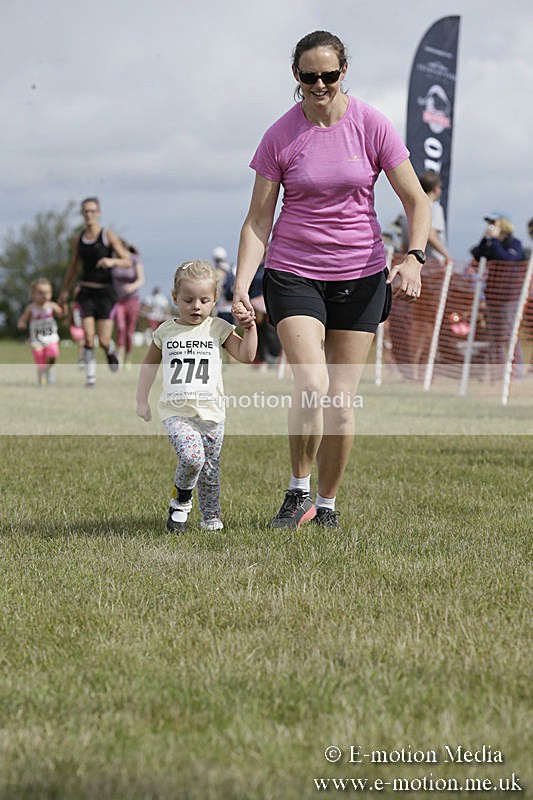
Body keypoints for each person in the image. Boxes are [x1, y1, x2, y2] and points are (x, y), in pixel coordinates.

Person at [232, 30, 431, 530]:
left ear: (344, 71)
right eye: (308, 77)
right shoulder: (281, 135)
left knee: (341, 403)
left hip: (361, 276)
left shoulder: (371, 125)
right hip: (294, 271)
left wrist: (414, 257)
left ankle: (327, 506)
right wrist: (241, 285)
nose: (319, 85)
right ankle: (297, 492)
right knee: (312, 383)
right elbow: (258, 220)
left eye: (328, 75)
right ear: (295, 76)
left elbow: (416, 201)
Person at [136, 260, 257, 533]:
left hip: (212, 415)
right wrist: (141, 400)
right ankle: (181, 501)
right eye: (188, 300)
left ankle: (210, 517)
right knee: (192, 457)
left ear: (215, 299)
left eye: (204, 300)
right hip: (177, 413)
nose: (196, 306)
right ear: (175, 297)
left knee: (210, 470)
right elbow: (148, 366)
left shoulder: (218, 328)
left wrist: (250, 328)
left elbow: (247, 355)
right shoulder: (165, 331)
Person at [58, 197, 132, 387]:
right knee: (88, 337)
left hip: (105, 293)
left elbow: (127, 260)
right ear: (82, 214)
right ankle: (90, 378)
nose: (89, 214)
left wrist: (112, 261)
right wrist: (64, 291)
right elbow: (73, 266)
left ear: (98, 213)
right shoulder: (79, 239)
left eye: (92, 211)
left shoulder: (107, 235)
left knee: (104, 340)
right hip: (86, 292)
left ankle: (110, 351)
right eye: (86, 211)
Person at [471, 214, 526, 379]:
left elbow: (507, 259)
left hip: (510, 297)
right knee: (494, 337)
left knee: (510, 335)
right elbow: (478, 255)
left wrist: (494, 240)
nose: (491, 226)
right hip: (492, 297)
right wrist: (485, 239)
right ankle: (498, 374)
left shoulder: (514, 243)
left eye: (494, 223)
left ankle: (517, 372)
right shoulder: (490, 243)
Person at [17, 278, 64, 386]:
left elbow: (61, 314)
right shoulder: (31, 308)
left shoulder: (52, 306)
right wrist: (22, 323)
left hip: (51, 338)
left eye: (47, 293)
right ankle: (41, 381)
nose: (44, 296)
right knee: (40, 363)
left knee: (53, 354)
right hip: (37, 340)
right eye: (41, 293)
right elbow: (23, 319)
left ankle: (49, 369)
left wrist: (64, 307)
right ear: (33, 295)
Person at [112, 242, 145, 369]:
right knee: (120, 328)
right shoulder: (114, 260)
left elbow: (141, 279)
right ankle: (119, 357)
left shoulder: (134, 259)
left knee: (129, 332)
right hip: (118, 300)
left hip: (132, 299)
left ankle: (128, 357)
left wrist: (132, 286)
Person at [212, 246, 235, 323]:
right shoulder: (231, 268)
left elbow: (218, 289)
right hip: (231, 307)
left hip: (221, 307)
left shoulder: (217, 270)